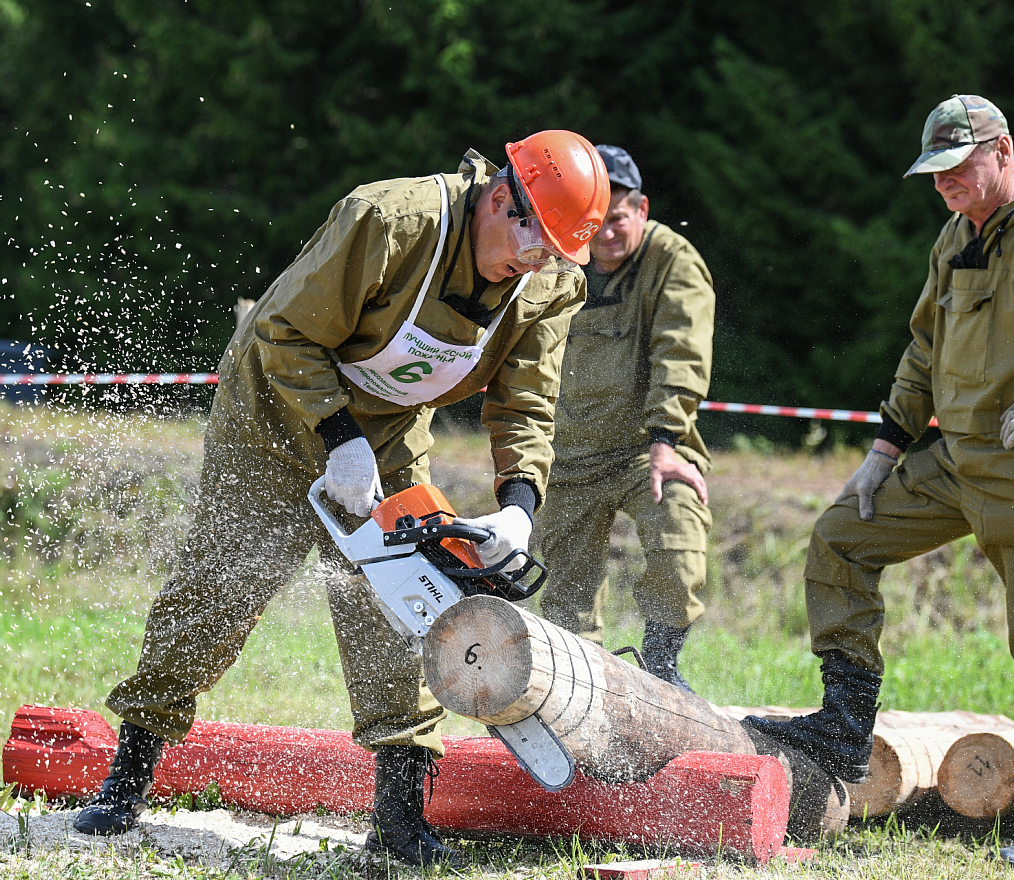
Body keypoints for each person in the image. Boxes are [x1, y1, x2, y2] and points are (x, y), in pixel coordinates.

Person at [73, 131, 611, 867]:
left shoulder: (548, 285)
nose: (536, 260)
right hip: (272, 410)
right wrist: (335, 434)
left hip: (387, 431)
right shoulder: (391, 221)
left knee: (404, 599)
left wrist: (519, 504)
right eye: (534, 240)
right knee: (219, 587)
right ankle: (128, 775)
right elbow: (284, 329)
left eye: (555, 251)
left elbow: (525, 402)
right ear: (498, 199)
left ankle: (398, 817)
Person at [743, 95, 1014, 872]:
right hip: (954, 463)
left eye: (959, 168)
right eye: (935, 174)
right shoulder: (957, 235)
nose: (946, 185)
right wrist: (884, 448)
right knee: (841, 535)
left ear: (1002, 151)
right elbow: (925, 350)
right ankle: (844, 727)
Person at [536, 145, 715, 693]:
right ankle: (579, 698)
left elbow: (681, 350)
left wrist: (667, 439)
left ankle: (661, 666)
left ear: (641, 209)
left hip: (648, 449)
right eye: (594, 224)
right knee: (565, 602)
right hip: (569, 455)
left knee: (679, 530)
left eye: (618, 219)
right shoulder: (557, 258)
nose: (606, 235)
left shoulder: (671, 259)